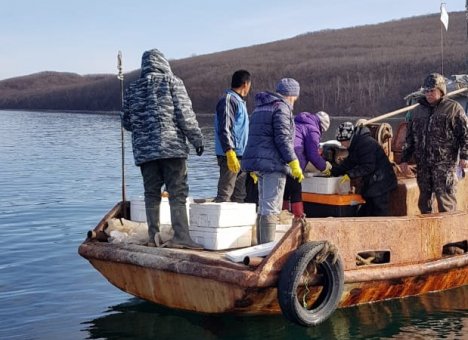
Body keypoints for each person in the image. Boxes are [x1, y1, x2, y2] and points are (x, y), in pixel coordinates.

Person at [122, 49, 204, 249]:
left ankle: (153, 236)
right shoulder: (172, 83)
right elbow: (185, 115)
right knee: (177, 192)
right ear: (163, 63)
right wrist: (197, 139)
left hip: (145, 152)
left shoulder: (131, 89)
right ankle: (181, 237)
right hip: (171, 148)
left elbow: (127, 122)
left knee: (151, 193)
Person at [242, 78, 304, 244]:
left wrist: (255, 165)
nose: (294, 101)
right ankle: (267, 249)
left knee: (263, 206)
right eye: (295, 98)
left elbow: (256, 137)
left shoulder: (260, 107)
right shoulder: (282, 108)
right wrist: (293, 162)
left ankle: (260, 246)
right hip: (273, 163)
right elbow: (283, 139)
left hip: (259, 162)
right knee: (271, 207)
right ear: (291, 95)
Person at [400, 73, 468, 213]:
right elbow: (410, 138)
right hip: (423, 165)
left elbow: (465, 135)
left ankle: (450, 233)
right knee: (424, 203)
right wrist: (404, 159)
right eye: (426, 91)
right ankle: (428, 234)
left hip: (444, 165)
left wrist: (464, 156)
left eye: (432, 91)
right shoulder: (417, 112)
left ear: (441, 90)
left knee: (446, 202)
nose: (428, 94)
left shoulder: (453, 109)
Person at [331, 122, 397, 216]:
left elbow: (368, 166)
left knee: (379, 211)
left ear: (348, 139)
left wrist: (350, 174)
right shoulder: (356, 144)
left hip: (381, 182)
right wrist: (332, 170)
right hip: (373, 182)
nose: (342, 145)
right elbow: (350, 162)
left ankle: (382, 229)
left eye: (342, 142)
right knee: (366, 211)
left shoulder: (366, 144)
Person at [283, 111, 332, 217]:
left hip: (283, 158)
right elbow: (312, 154)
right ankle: (298, 217)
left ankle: (283, 215)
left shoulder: (297, 123)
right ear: (321, 126)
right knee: (296, 189)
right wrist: (324, 167)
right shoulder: (313, 129)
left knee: (285, 189)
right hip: (295, 160)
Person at [214, 70, 252, 202]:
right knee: (225, 192)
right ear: (245, 84)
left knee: (240, 195)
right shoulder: (228, 100)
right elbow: (224, 128)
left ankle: (238, 222)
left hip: (242, 156)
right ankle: (217, 221)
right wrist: (229, 151)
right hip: (230, 155)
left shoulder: (240, 102)